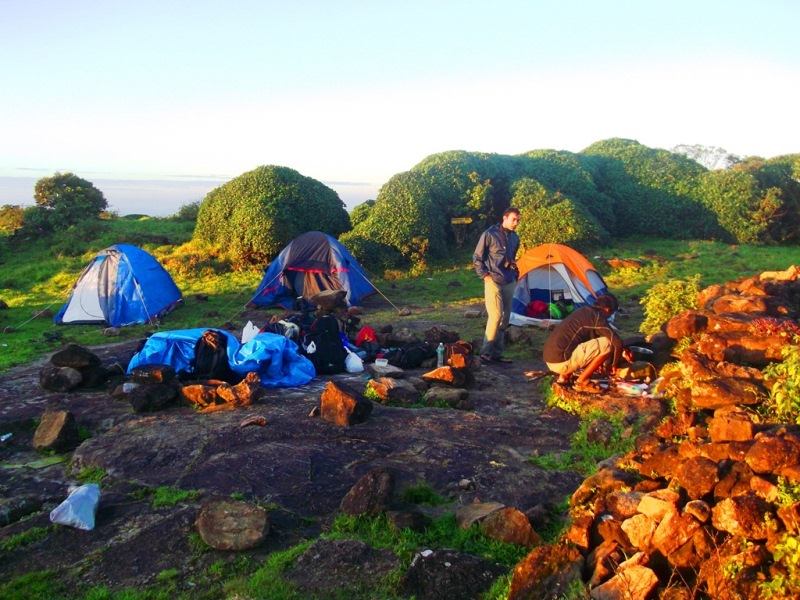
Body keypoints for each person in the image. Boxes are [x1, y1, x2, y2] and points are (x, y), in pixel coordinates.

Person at [542, 294, 632, 393]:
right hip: (561, 363)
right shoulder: (597, 317)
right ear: (607, 310)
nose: (610, 317)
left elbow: (592, 340)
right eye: (611, 313)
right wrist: (614, 365)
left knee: (577, 341)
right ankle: (582, 381)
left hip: (550, 360)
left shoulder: (584, 311)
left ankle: (564, 377)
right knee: (607, 343)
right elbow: (617, 343)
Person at [473, 207, 521, 364]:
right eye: (513, 219)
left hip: (509, 280)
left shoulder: (515, 238)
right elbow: (477, 257)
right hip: (493, 279)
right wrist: (484, 275)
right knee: (495, 316)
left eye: (518, 220)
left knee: (505, 318)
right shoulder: (489, 234)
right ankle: (485, 353)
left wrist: (515, 273)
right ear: (505, 218)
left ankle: (497, 354)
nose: (516, 223)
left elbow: (512, 257)